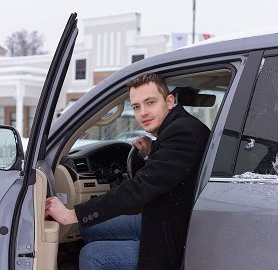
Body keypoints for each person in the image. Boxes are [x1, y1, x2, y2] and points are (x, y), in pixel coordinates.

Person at [45, 73, 210, 270]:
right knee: (89, 228)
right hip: (167, 218)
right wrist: (152, 150)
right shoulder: (180, 127)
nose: (143, 113)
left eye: (150, 103)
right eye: (136, 107)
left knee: (93, 256)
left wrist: (73, 215)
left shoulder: (183, 133)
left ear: (169, 101)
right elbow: (167, 170)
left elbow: (141, 186)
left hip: (175, 237)